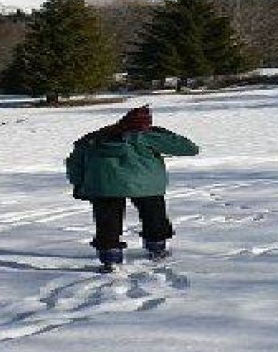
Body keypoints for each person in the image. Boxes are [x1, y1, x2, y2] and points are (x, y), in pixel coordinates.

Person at [65, 105, 199, 268]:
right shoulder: (148, 137)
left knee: (107, 221)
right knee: (153, 215)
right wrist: (163, 133)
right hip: (146, 184)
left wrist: (79, 184)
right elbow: (190, 149)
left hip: (103, 185)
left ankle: (110, 258)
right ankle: (157, 249)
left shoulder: (95, 138)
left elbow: (74, 163)